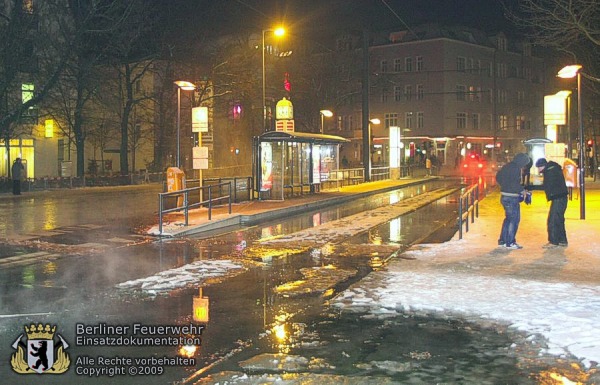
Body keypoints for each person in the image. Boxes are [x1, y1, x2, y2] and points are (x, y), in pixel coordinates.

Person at [495, 153, 530, 249]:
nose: (524, 166)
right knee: (514, 219)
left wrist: (504, 186)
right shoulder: (516, 169)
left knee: (508, 219)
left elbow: (498, 177)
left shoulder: (507, 166)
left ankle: (503, 240)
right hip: (511, 197)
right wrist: (522, 190)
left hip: (504, 196)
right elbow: (514, 183)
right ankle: (510, 242)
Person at [535, 158, 569, 248]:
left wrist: (529, 187)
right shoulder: (553, 169)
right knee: (559, 219)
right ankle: (562, 240)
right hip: (561, 197)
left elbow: (546, 186)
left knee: (553, 220)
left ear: (543, 166)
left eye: (539, 168)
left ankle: (553, 241)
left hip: (558, 198)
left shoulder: (550, 172)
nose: (538, 170)